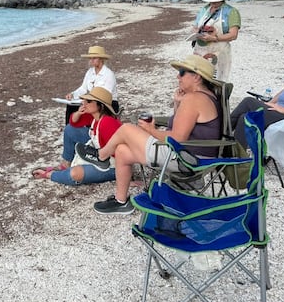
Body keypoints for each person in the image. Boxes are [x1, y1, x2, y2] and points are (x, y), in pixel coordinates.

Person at [83, 55, 222, 215]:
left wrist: (151, 130)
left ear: (196, 77)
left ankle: (101, 156)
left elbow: (177, 138)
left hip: (186, 159)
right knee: (121, 150)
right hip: (190, 155)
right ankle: (121, 202)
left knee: (126, 128)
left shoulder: (194, 98)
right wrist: (177, 103)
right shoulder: (205, 96)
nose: (178, 76)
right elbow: (183, 127)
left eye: (182, 72)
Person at [32, 87, 122, 185]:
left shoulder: (107, 123)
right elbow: (73, 123)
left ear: (101, 106)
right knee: (70, 129)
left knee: (75, 174)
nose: (84, 103)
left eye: (88, 101)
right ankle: (65, 165)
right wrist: (79, 113)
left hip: (113, 165)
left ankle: (50, 175)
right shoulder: (94, 116)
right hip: (99, 154)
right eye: (85, 100)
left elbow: (120, 151)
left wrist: (125, 176)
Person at [191, 0, 241, 81]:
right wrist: (196, 32)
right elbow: (195, 26)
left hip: (219, 51)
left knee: (217, 79)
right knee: (198, 78)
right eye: (211, 0)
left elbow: (233, 35)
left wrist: (214, 38)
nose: (213, 2)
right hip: (200, 49)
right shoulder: (204, 9)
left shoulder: (231, 11)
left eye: (216, 0)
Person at [63, 45, 119, 124]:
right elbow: (83, 88)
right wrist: (73, 94)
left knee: (83, 108)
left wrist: (87, 101)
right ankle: (69, 128)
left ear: (101, 59)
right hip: (93, 101)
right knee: (71, 105)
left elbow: (105, 95)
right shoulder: (90, 72)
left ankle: (84, 127)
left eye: (94, 58)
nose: (91, 61)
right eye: (90, 58)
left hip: (108, 104)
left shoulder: (108, 74)